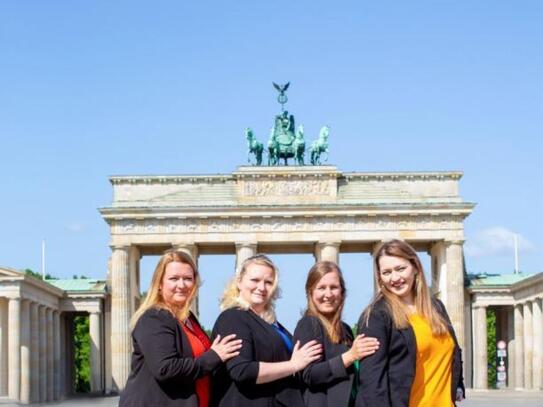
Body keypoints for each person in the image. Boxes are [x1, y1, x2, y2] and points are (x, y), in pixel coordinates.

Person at [119, 250, 242, 407]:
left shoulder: (188, 318)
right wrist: (214, 356)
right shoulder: (154, 318)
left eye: (188, 279)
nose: (182, 285)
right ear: (159, 284)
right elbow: (166, 369)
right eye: (174, 278)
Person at [355, 239, 465, 407]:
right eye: (386, 272)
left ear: (415, 267)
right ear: (379, 277)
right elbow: (372, 383)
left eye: (400, 269)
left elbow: (454, 352)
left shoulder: (436, 307)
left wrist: (458, 385)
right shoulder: (376, 317)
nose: (395, 278)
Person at [211, 254, 322, 407]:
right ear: (239, 282)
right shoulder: (233, 318)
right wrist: (294, 365)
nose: (262, 287)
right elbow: (242, 371)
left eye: (268, 282)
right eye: (255, 280)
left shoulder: (271, 323)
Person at [293, 261, 380, 407]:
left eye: (334, 287)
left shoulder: (345, 329)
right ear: (310, 292)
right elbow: (309, 375)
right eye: (321, 288)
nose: (328, 294)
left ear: (342, 292)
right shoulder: (309, 324)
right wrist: (350, 356)